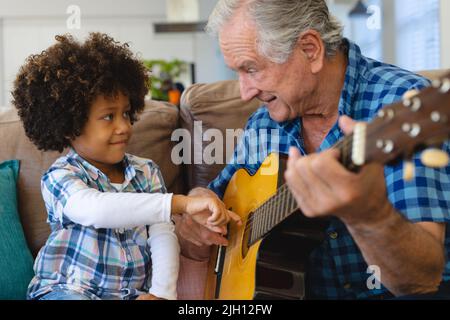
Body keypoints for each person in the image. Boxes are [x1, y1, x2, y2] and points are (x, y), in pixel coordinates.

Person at [174, 0, 450, 299]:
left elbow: (421, 281)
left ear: (310, 49)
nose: (245, 92)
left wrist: (370, 215)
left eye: (251, 69)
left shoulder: (400, 104)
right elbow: (218, 197)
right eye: (237, 72)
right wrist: (198, 205)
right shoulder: (263, 122)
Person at [12, 32, 241, 300]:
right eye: (108, 117)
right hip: (66, 290)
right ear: (70, 125)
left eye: (125, 113)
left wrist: (161, 294)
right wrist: (179, 203)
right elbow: (96, 209)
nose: (123, 126)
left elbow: (163, 235)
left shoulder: (147, 172)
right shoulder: (61, 175)